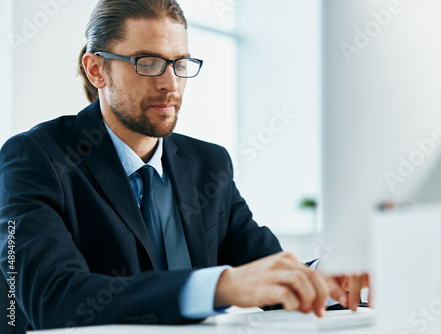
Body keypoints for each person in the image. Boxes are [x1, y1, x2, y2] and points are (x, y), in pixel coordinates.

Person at [0, 0, 369, 333]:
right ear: (97, 70)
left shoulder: (209, 164)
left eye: (180, 64)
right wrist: (220, 286)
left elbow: (263, 269)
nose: (170, 84)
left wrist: (328, 278)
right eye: (148, 63)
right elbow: (51, 300)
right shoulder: (33, 158)